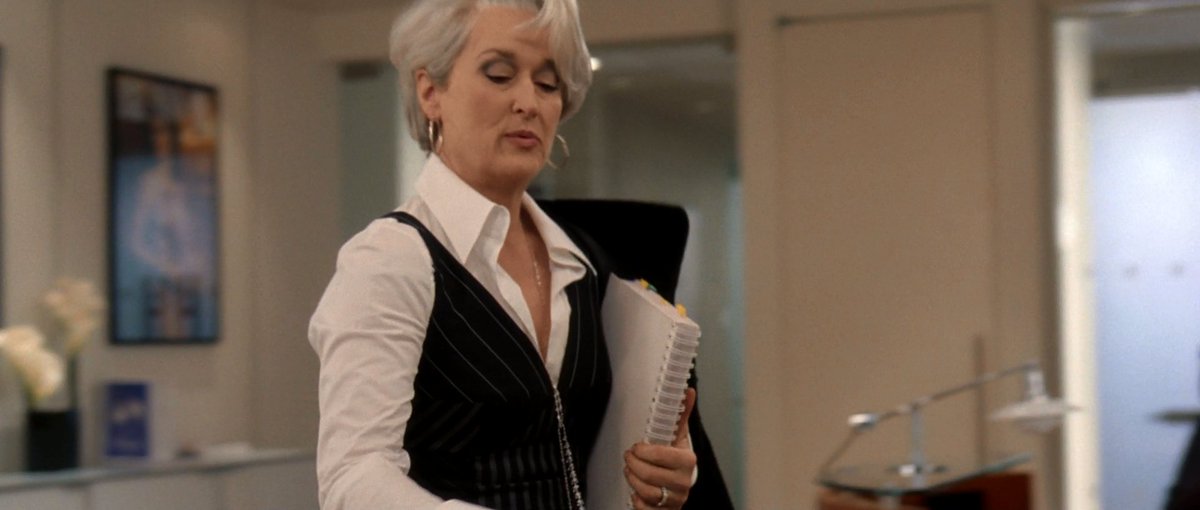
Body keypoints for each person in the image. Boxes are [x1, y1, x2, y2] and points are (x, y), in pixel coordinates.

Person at [308, 1, 699, 508]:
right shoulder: (390, 259)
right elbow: (352, 477)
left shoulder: (583, 260)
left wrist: (663, 474)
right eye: (499, 74)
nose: (528, 102)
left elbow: (597, 455)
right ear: (430, 92)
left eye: (548, 84)